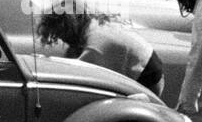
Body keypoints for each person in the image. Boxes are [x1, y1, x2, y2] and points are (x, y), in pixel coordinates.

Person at [36, 9, 165, 96]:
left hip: (147, 80)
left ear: (69, 29)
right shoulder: (95, 24)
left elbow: (79, 77)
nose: (62, 40)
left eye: (60, 35)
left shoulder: (96, 44)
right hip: (149, 66)